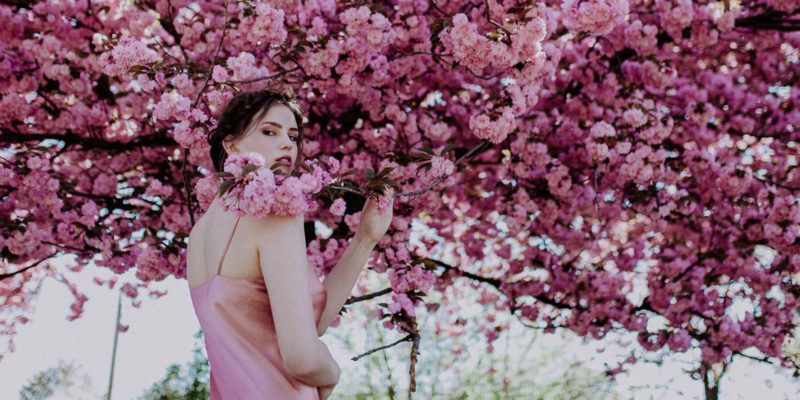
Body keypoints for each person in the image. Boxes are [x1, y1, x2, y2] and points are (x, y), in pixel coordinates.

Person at [186, 87, 394, 399]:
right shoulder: (274, 210)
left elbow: (312, 326)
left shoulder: (198, 235)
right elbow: (302, 358)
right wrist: (332, 370)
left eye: (293, 136)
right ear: (231, 144)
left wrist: (365, 238)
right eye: (270, 131)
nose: (287, 143)